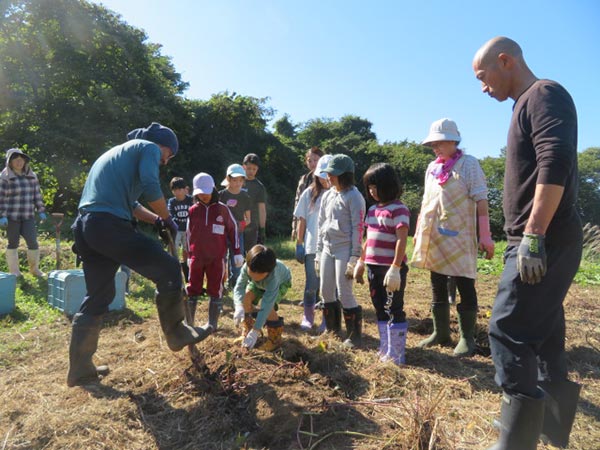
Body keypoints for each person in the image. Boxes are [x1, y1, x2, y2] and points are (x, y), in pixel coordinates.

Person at [473, 37, 582, 449]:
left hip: (542, 240)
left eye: (484, 77)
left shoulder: (544, 94)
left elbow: (555, 161)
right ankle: (552, 435)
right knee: (545, 334)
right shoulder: (528, 103)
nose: (483, 87)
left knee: (508, 330)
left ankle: (515, 444)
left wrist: (533, 235)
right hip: (541, 239)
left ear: (506, 61)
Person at [67, 122, 211, 387]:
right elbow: (150, 184)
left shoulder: (116, 156)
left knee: (99, 296)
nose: (166, 161)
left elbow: (131, 204)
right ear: (162, 145)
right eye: (169, 154)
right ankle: (177, 333)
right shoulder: (147, 147)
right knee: (168, 270)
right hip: (109, 225)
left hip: (88, 227)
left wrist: (157, 219)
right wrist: (168, 218)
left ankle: (80, 369)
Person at [411, 118, 494, 357]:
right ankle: (441, 332)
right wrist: (419, 231)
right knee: (437, 282)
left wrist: (485, 235)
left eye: (440, 142)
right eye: (432, 144)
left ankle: (467, 338)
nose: (435, 148)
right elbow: (426, 202)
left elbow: (481, 201)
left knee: (464, 283)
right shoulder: (432, 168)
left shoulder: (469, 165)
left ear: (453, 140)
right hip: (435, 235)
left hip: (460, 236)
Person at [353, 163, 410, 365]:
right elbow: (368, 239)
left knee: (393, 308)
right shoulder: (372, 211)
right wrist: (361, 261)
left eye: (375, 186)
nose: (371, 191)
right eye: (369, 187)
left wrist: (395, 267)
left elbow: (402, 240)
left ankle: (397, 353)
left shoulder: (399, 209)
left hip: (391, 270)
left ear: (388, 185)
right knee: (379, 307)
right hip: (373, 268)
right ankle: (385, 347)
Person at [317, 154, 366, 348]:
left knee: (344, 289)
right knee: (326, 290)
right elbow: (321, 223)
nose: (329, 177)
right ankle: (332, 330)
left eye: (333, 174)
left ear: (345, 175)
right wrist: (319, 251)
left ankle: (354, 335)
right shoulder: (328, 195)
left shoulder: (354, 197)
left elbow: (358, 227)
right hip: (328, 248)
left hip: (345, 248)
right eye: (328, 174)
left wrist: (354, 256)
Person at [186, 172, 243, 330]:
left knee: (215, 289)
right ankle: (189, 323)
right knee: (192, 288)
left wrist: (237, 251)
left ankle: (212, 324)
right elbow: (188, 234)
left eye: (207, 191)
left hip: (217, 258)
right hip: (197, 257)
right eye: (200, 192)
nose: (204, 195)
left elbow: (233, 230)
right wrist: (189, 255)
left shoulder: (222, 210)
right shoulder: (193, 211)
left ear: (213, 189)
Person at [293, 154, 332, 330]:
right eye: (321, 176)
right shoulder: (309, 193)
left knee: (329, 286)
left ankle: (327, 318)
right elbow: (302, 219)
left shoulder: (337, 194)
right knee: (311, 284)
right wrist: (299, 243)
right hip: (311, 246)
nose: (325, 180)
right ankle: (308, 318)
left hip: (331, 248)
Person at [232, 245, 292, 351]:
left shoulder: (274, 277)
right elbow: (239, 287)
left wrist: (256, 330)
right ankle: (247, 330)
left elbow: (266, 305)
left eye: (258, 274)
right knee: (246, 297)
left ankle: (275, 340)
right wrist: (238, 306)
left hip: (282, 283)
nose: (254, 276)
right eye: (252, 272)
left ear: (267, 272)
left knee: (270, 308)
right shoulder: (248, 266)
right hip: (258, 284)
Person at [0, 148, 47, 277]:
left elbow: (37, 195)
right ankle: (15, 272)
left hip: (28, 216)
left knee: (33, 242)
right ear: (10, 162)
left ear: (25, 162)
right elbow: (1, 198)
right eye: (16, 159)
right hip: (11, 217)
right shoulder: (5, 177)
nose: (19, 162)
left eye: (21, 159)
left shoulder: (31, 176)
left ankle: (34, 269)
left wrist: (41, 210)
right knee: (13, 243)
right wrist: (2, 215)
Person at [219, 163, 252, 289]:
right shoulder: (221, 195)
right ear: (228, 179)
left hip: (238, 233)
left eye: (240, 180)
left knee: (237, 260)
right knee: (221, 259)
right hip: (221, 233)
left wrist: (239, 224)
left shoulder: (245, 197)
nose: (237, 183)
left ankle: (235, 284)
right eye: (234, 180)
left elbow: (248, 219)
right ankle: (221, 284)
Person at [291, 147, 324, 241]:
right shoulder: (304, 180)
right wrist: (295, 227)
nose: (313, 163)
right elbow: (298, 203)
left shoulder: (328, 178)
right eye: (309, 160)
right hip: (305, 223)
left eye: (316, 160)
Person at [167, 177, 193, 281]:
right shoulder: (172, 201)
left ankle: (187, 274)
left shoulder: (190, 200)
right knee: (173, 250)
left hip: (188, 230)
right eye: (175, 190)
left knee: (188, 250)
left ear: (185, 189)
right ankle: (172, 271)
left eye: (180, 189)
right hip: (176, 230)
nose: (177, 192)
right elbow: (171, 213)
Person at [242, 153, 267, 251]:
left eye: (254, 169)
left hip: (251, 228)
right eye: (248, 168)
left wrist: (262, 230)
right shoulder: (236, 181)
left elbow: (262, 209)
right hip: (236, 225)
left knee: (250, 256)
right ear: (243, 167)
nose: (251, 171)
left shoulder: (259, 187)